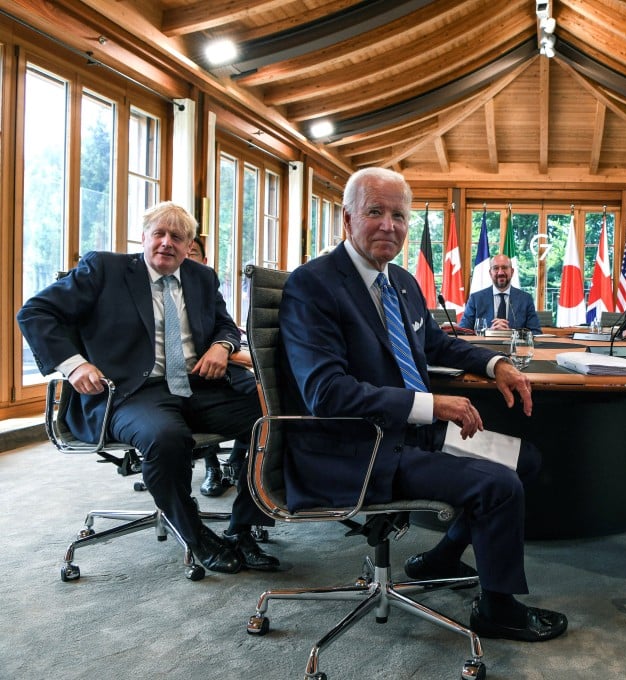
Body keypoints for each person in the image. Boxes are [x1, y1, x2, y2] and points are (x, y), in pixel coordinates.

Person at [277, 167, 567, 642]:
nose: (388, 225)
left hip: (407, 435)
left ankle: (441, 558)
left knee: (525, 460)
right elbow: (326, 392)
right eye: (375, 212)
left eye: (399, 216)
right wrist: (430, 405)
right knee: (498, 485)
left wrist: (495, 363)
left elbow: (438, 343)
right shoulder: (313, 285)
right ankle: (499, 611)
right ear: (347, 219)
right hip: (356, 448)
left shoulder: (402, 282)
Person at [18, 202, 279, 574]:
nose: (167, 242)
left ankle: (243, 528)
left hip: (197, 385)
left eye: (178, 237)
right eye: (159, 233)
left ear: (188, 246)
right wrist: (74, 365)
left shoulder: (201, 277)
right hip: (131, 392)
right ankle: (194, 533)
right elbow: (35, 312)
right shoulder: (104, 269)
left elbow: (225, 325)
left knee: (272, 415)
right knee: (165, 437)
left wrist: (222, 347)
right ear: (143, 238)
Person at [186, 235, 247, 498]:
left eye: (192, 254)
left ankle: (237, 459)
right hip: (185, 375)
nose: (185, 258)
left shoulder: (205, 283)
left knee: (264, 394)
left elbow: (226, 326)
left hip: (223, 364)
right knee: (201, 391)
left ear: (204, 260)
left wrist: (222, 345)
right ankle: (212, 466)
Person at [460, 254, 542, 334]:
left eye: (504, 268)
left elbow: (536, 332)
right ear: (490, 273)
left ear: (512, 272)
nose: (500, 272)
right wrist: (488, 333)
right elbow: (463, 332)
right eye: (496, 268)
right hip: (484, 343)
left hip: (514, 343)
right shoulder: (475, 299)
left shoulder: (525, 299)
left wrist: (512, 333)